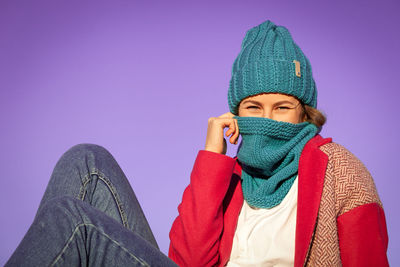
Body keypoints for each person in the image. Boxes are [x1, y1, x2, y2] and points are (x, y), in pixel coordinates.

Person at [6, 20, 388, 267]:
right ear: (236, 113)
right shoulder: (235, 177)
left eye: (282, 107)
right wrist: (211, 159)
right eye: (253, 107)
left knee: (73, 221)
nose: (267, 120)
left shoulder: (338, 169)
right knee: (85, 161)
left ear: (304, 114)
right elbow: (186, 261)